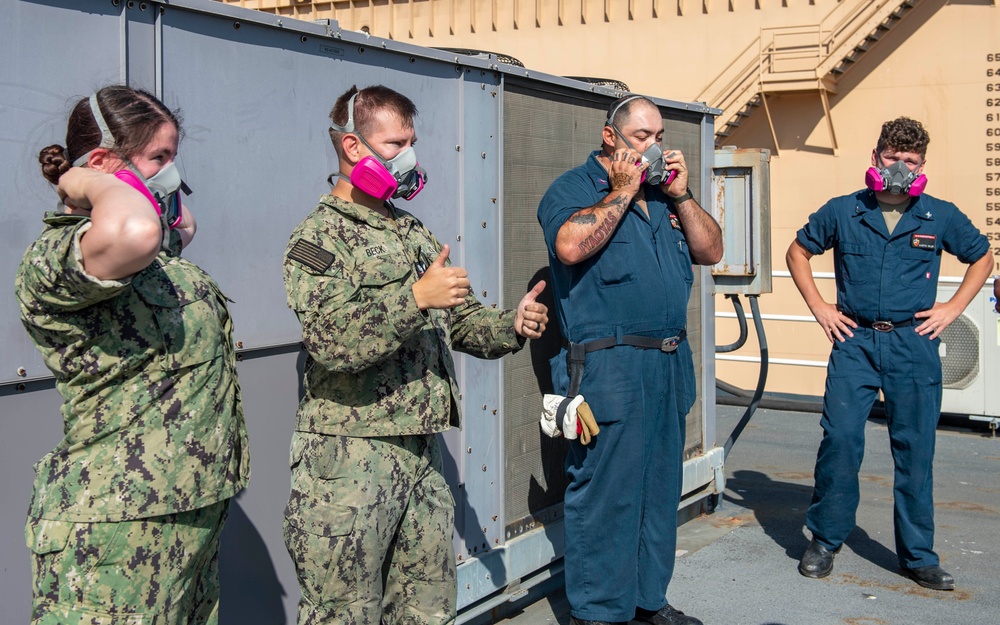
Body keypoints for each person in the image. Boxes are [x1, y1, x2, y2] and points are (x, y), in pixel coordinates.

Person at [281, 84, 549, 625]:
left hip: (421, 455)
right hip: (349, 458)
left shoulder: (410, 231)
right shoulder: (318, 237)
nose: (409, 155)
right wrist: (414, 298)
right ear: (354, 148)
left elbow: (464, 322)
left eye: (412, 141)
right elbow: (332, 341)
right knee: (343, 613)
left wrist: (512, 325)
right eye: (395, 142)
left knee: (425, 609)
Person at [15, 85, 250, 624]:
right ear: (101, 164)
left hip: (184, 511)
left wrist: (160, 208)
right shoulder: (61, 255)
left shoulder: (147, 258)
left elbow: (173, 231)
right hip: (113, 529)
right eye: (159, 159)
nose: (172, 175)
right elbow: (135, 228)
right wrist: (82, 180)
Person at [537, 95, 723, 625]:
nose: (654, 146)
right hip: (608, 366)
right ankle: (598, 613)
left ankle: (648, 602)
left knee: (658, 488)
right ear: (610, 137)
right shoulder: (573, 189)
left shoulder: (666, 198)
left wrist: (683, 195)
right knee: (607, 493)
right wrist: (623, 191)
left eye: (659, 136)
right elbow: (571, 247)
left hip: (667, 361)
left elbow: (711, 251)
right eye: (642, 136)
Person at [786, 117, 992, 590]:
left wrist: (953, 308)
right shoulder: (844, 211)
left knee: (915, 449)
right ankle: (824, 540)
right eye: (892, 158)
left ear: (923, 167)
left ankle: (918, 556)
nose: (900, 168)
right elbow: (798, 253)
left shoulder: (938, 215)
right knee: (839, 441)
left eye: (911, 162)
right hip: (854, 341)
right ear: (875, 158)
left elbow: (982, 255)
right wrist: (819, 308)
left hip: (913, 343)